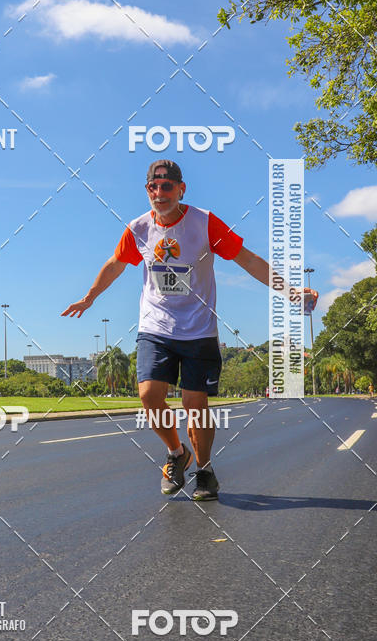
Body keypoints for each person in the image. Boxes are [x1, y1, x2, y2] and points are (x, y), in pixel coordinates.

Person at [62, 159, 318, 501]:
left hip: (198, 330)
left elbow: (247, 259)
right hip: (156, 326)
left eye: (167, 186)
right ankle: (176, 452)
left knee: (194, 404)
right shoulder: (138, 227)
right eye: (153, 187)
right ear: (147, 191)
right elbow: (116, 263)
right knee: (149, 394)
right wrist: (90, 297)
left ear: (181, 189)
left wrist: (290, 290)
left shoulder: (205, 223)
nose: (159, 193)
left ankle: (205, 470)